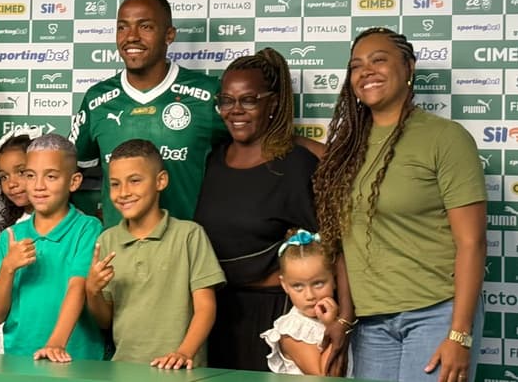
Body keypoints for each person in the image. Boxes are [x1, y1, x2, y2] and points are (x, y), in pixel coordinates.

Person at [313, 27, 486, 382]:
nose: (367, 71)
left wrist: (459, 334)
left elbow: (472, 243)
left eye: (379, 60)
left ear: (409, 68)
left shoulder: (444, 138)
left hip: (435, 314)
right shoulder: (347, 148)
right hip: (371, 324)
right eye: (356, 65)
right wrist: (345, 319)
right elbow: (345, 242)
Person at [193, 47, 351, 371]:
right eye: (226, 100)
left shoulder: (295, 166)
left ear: (273, 103)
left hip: (276, 320)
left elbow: (337, 250)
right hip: (215, 315)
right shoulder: (212, 162)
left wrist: (344, 320)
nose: (235, 110)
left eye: (248, 100)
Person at [69, 0, 229, 228]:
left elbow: (252, 154)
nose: (131, 37)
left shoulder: (207, 94)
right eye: (122, 27)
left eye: (145, 27)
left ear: (169, 35)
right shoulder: (97, 100)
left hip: (187, 251)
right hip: (118, 254)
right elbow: (71, 171)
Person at [86, 139, 225, 369]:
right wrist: (92, 291)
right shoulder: (107, 240)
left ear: (160, 181)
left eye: (135, 181)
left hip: (181, 371)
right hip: (125, 369)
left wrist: (183, 353)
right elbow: (105, 320)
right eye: (115, 184)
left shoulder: (189, 235)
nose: (124, 192)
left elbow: (205, 307)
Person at [0, 134, 104, 362]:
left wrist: (56, 344)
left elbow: (77, 288)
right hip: (20, 358)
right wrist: (8, 267)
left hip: (75, 358)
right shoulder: (11, 236)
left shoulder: (88, 228)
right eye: (30, 176)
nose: (38, 186)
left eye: (51, 176)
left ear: (74, 181)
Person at [260, 229, 342, 375]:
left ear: (334, 277)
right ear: (284, 285)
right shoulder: (292, 331)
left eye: (318, 283)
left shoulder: (342, 315)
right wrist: (332, 326)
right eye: (298, 286)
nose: (309, 295)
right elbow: (324, 375)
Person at [0, 129, 36, 354]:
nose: (12, 184)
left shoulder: (80, 227)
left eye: (21, 172)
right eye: (3, 177)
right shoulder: (10, 232)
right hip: (6, 345)